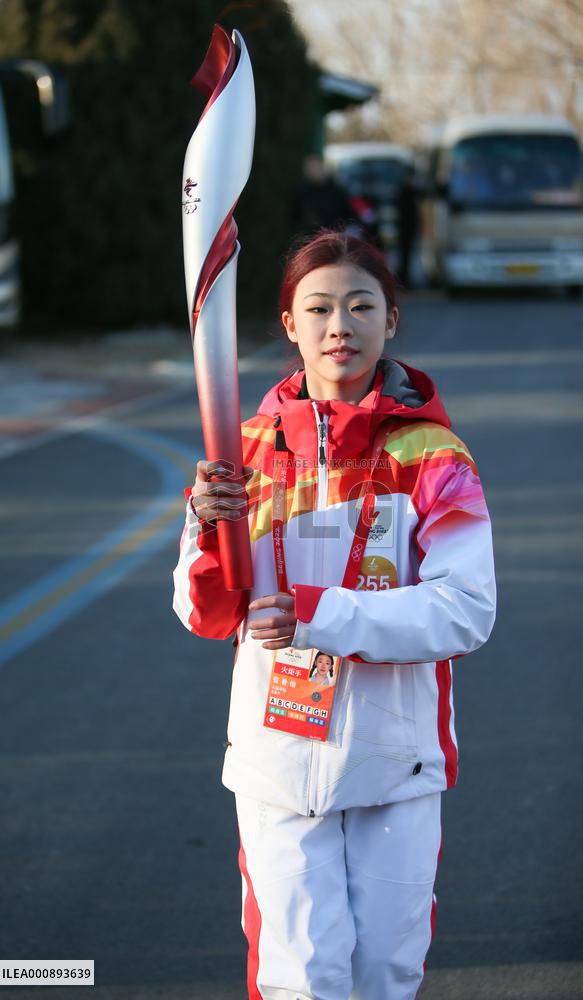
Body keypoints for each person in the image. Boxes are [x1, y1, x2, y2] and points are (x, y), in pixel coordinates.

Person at [172, 229, 496, 1000]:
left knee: (385, 973)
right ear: (289, 325)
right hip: (276, 762)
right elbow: (205, 611)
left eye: (360, 306)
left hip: (394, 762)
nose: (338, 326)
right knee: (302, 979)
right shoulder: (239, 454)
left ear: (391, 320)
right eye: (316, 308)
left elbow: (465, 610)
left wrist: (318, 614)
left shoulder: (432, 458)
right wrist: (211, 535)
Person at [395, 165, 420, 289]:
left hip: (407, 230)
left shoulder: (408, 191)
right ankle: (404, 280)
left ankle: (405, 279)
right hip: (405, 230)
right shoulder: (406, 192)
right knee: (405, 256)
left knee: (406, 256)